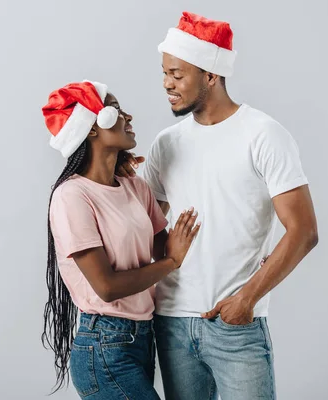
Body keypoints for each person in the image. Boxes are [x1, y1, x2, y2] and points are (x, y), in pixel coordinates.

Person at [118, 11, 319, 400]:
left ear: (211, 75)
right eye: (164, 73)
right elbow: (144, 227)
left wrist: (247, 298)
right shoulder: (166, 143)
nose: (167, 85)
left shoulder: (262, 135)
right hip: (172, 321)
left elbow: (304, 231)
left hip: (236, 325)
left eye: (177, 75)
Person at [40, 80, 201, 399]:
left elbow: (164, 246)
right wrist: (171, 262)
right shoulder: (72, 196)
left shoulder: (135, 187)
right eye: (115, 109)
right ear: (91, 128)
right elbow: (107, 287)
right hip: (103, 345)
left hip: (143, 338)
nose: (128, 116)